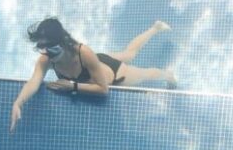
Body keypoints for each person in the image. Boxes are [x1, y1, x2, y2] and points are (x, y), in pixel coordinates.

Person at [9, 17, 176, 132]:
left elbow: (103, 89)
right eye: (41, 47)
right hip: (97, 63)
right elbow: (34, 82)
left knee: (143, 73)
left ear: (62, 43)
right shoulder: (47, 59)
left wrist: (73, 86)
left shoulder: (83, 53)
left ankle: (167, 75)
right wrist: (18, 102)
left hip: (114, 74)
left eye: (49, 48)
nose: (45, 52)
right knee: (129, 54)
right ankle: (156, 27)